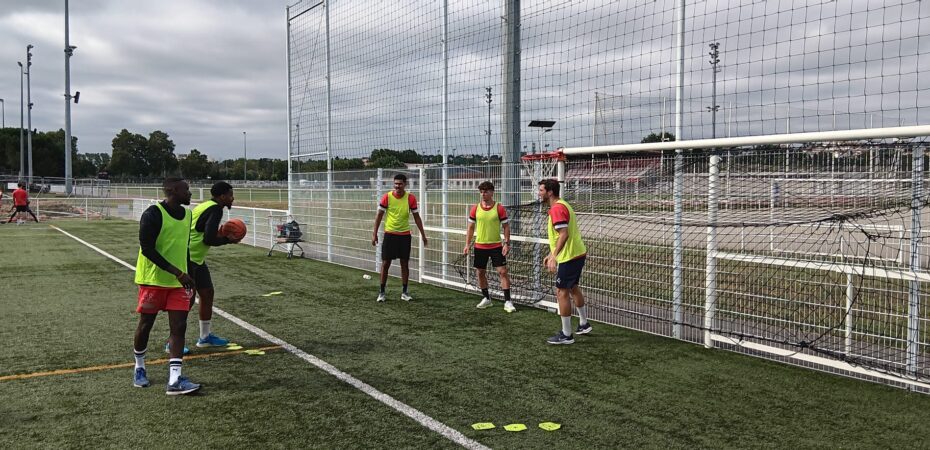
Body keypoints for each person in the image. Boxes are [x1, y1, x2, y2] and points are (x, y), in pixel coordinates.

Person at [132, 177, 201, 395]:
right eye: (186, 189)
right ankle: (139, 367)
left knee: (179, 327)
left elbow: (185, 248)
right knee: (146, 325)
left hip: (179, 283)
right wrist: (178, 273)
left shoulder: (188, 215)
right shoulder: (152, 214)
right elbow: (147, 249)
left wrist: (190, 278)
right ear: (172, 190)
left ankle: (175, 379)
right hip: (153, 280)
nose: (189, 193)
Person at [538, 179, 591, 345]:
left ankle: (567, 335)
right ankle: (584, 324)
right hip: (576, 253)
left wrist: (554, 256)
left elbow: (564, 234)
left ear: (550, 192)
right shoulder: (563, 205)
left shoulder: (557, 208)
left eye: (541, 190)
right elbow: (559, 236)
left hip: (569, 256)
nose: (539, 193)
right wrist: (551, 254)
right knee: (573, 287)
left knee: (561, 292)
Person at [187, 181, 239, 348]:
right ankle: (172, 342)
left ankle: (205, 337)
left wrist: (220, 233)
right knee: (186, 301)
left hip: (196, 258)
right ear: (222, 196)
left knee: (207, 293)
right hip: (189, 258)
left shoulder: (206, 205)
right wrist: (227, 239)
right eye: (230, 195)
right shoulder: (216, 209)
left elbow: (201, 229)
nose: (232, 198)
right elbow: (208, 239)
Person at [371, 173, 428, 302]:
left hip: (405, 236)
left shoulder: (411, 198)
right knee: (386, 263)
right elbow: (379, 216)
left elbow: (417, 217)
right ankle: (382, 292)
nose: (397, 186)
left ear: (405, 184)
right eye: (395, 184)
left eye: (400, 184)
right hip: (390, 235)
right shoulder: (387, 197)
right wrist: (374, 234)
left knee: (404, 264)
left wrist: (423, 235)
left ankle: (404, 292)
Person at [463, 181, 515, 313]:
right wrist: (467, 244)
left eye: (485, 191)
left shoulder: (499, 208)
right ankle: (486, 298)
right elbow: (470, 228)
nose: (483, 194)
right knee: (480, 272)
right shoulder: (475, 208)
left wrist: (507, 243)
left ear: (492, 192)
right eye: (481, 192)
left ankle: (508, 301)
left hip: (496, 246)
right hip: (480, 247)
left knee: (502, 272)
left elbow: (506, 227)